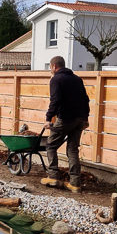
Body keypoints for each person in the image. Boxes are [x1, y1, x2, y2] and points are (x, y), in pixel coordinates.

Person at [40, 56, 90, 193]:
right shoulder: (77, 79)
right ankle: (75, 183)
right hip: (79, 119)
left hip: (66, 119)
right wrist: (86, 118)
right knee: (72, 149)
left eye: (50, 67)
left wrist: (48, 119)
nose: (50, 70)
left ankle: (53, 177)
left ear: (54, 66)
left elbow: (55, 100)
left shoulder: (56, 79)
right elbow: (86, 100)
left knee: (50, 145)